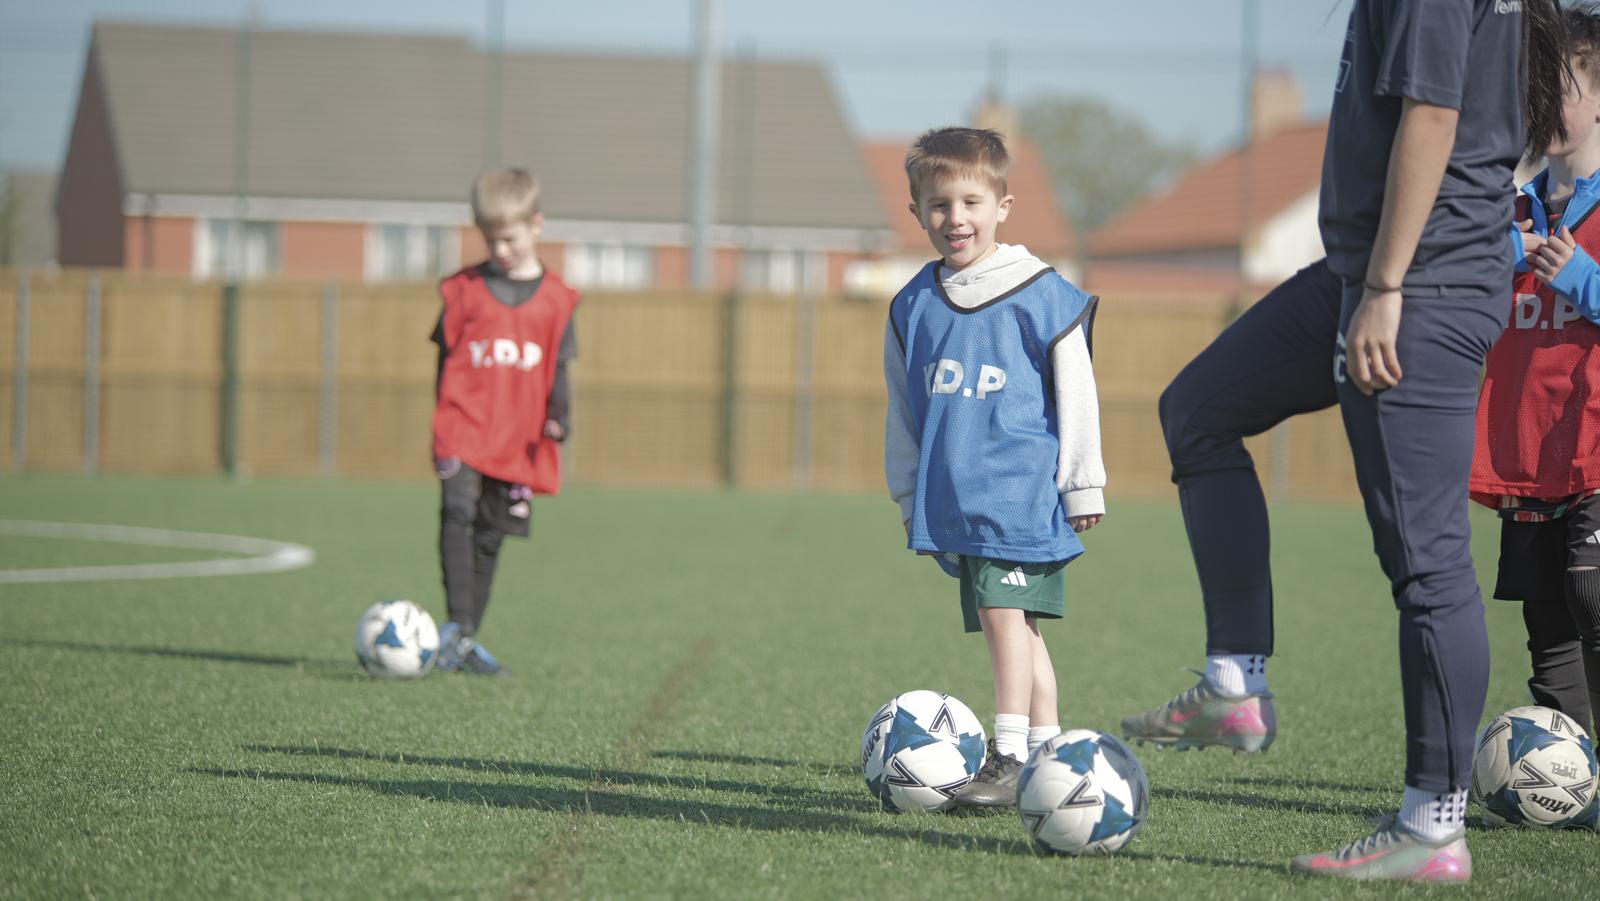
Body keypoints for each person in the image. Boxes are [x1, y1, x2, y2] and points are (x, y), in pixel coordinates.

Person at [1117, 0, 1570, 881]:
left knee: (1427, 561)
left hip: (1419, 285)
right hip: (1358, 274)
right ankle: (1235, 683)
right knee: (1200, 407)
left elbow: (1434, 115)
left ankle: (1432, 826)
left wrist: (1389, 284)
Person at [883, 127, 1106, 809]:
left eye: (972, 202)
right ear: (917, 210)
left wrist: (1082, 480)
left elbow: (1078, 391)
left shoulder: (1043, 293)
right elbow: (904, 406)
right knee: (1015, 623)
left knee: (1006, 615)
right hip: (956, 499)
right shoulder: (913, 304)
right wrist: (907, 487)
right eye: (940, 204)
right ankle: (1050, 752)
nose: (957, 218)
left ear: (1003, 204)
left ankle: (1008, 755)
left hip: (1020, 492)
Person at [1472, 3, 1600, 746]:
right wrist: (1495, 259)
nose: (1545, 104)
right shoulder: (1503, 211)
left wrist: (1583, 278)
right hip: (1528, 450)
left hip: (1593, 448)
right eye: (1532, 87)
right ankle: (1574, 776)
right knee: (1547, 620)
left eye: (1564, 85)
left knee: (1592, 592)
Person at [429, 168, 579, 675]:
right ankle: (454, 625)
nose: (500, 249)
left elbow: (558, 366)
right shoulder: (464, 291)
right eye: (490, 239)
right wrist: (442, 421)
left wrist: (559, 418)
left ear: (537, 225)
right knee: (457, 510)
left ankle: (465, 639)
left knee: (491, 535)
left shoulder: (557, 300)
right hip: (465, 426)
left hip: (516, 438)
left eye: (509, 238)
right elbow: (444, 356)